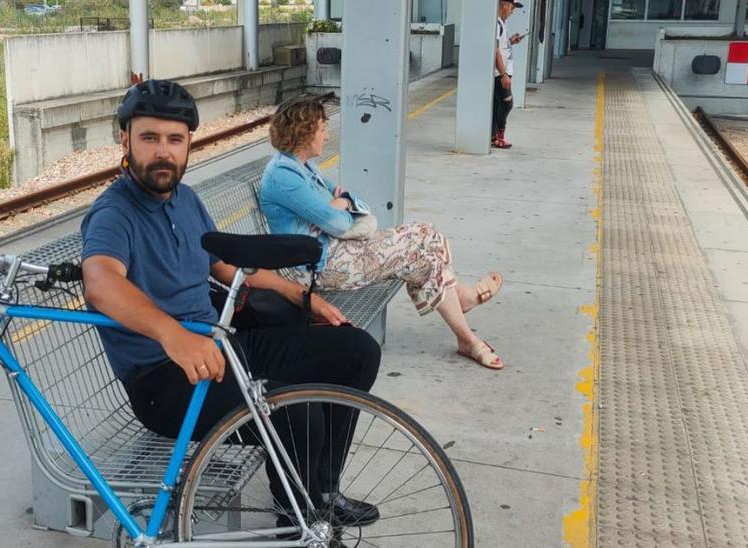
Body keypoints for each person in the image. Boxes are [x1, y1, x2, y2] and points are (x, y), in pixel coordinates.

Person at [80, 79, 382, 529]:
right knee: (296, 408)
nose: (163, 152)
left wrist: (300, 295)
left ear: (188, 145)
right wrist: (172, 334)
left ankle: (321, 494)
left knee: (356, 350)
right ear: (124, 139)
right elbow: (101, 282)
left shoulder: (184, 199)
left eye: (174, 140)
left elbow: (223, 266)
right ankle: (298, 524)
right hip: (165, 381)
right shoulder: (113, 213)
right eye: (149, 138)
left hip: (221, 347)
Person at [259, 98, 507, 370]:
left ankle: (460, 300)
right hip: (318, 266)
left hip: (334, 249)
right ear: (304, 133)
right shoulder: (284, 176)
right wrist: (339, 205)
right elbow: (339, 222)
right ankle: (466, 332)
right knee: (420, 257)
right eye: (322, 129)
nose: (327, 135)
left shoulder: (302, 166)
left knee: (427, 232)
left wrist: (339, 204)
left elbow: (344, 198)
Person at [493, 0, 524, 149]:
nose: (512, 12)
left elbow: (502, 46)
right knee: (507, 103)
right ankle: (499, 137)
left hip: (503, 72)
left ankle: (493, 136)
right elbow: (495, 51)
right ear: (505, 5)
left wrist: (511, 41)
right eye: (512, 8)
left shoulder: (502, 23)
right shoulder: (497, 24)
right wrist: (503, 74)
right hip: (499, 73)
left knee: (497, 104)